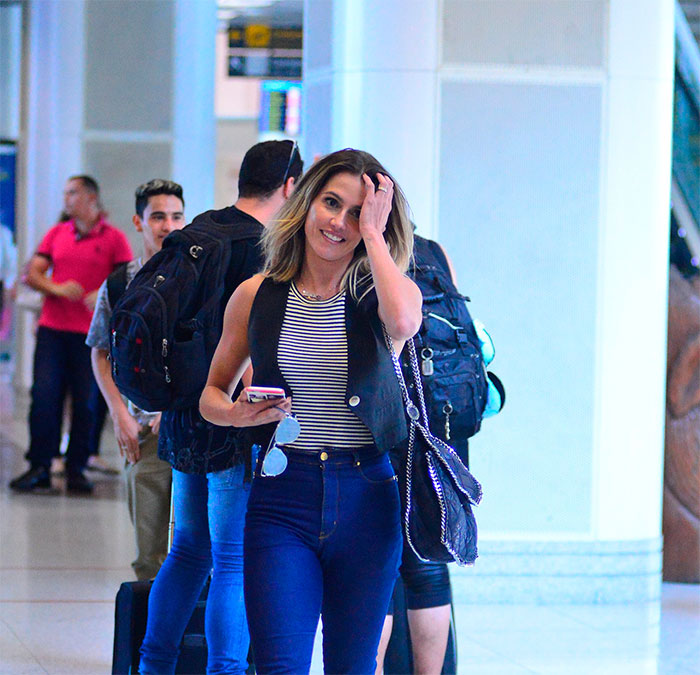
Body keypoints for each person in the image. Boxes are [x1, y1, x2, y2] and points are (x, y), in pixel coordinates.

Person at [199, 148, 423, 673]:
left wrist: (374, 236)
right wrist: (235, 415)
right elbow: (212, 393)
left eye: (357, 212)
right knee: (280, 665)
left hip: (368, 496)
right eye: (331, 203)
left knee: (352, 666)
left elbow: (405, 324)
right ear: (305, 202)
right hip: (283, 496)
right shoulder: (256, 294)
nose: (338, 223)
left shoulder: (381, 290)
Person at [138, 140, 303, 675]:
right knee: (232, 560)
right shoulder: (265, 249)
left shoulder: (198, 233)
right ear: (290, 187)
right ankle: (225, 670)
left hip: (186, 415)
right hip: (235, 417)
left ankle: (152, 664)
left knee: (186, 549)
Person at [86, 179, 186, 580]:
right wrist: (119, 415)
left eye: (176, 216)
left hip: (192, 426)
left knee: (195, 551)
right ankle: (151, 640)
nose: (167, 225)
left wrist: (176, 404)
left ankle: (189, 640)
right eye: (158, 216)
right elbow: (100, 350)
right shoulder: (120, 283)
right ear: (138, 221)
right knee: (149, 554)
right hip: (142, 431)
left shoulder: (196, 277)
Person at [9, 175, 132, 494]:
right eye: (65, 193)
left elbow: (128, 281)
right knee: (44, 399)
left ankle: (77, 468)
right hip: (53, 330)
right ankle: (40, 466)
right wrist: (57, 288)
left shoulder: (114, 238)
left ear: (91, 197)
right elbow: (32, 273)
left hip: (91, 337)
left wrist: (102, 292)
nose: (66, 198)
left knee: (87, 403)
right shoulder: (57, 233)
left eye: (72, 192)